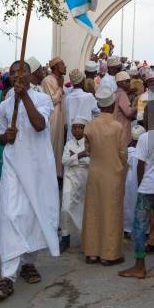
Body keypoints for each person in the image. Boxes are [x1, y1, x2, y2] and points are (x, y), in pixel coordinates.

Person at [0, 60, 59, 300]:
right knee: (10, 215)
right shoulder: (5, 106)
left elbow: (39, 125)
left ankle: (29, 262)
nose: (17, 77)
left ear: (30, 76)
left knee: (33, 214)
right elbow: (0, 137)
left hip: (38, 168)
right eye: (13, 74)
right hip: (13, 167)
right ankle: (7, 276)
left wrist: (24, 98)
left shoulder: (42, 100)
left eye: (21, 73)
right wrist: (5, 138)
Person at [119, 101, 154, 279]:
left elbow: (140, 165)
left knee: (139, 226)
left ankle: (140, 266)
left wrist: (140, 183)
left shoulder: (144, 138)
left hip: (148, 187)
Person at [82, 85, 127, 265]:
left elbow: (88, 150)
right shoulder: (117, 127)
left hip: (95, 171)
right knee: (111, 212)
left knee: (93, 210)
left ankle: (92, 252)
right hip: (113, 172)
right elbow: (123, 153)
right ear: (113, 104)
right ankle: (109, 254)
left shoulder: (90, 126)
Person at [60, 117, 90, 253]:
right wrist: (81, 155)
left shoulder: (89, 143)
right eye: (75, 127)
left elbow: (90, 161)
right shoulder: (68, 144)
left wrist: (75, 156)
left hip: (84, 180)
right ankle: (65, 237)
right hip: (69, 178)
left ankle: (86, 239)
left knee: (82, 210)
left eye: (80, 127)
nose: (77, 130)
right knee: (65, 208)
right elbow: (64, 160)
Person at [42, 56, 67, 179]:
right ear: (56, 67)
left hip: (60, 119)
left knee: (59, 148)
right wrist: (60, 87)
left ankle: (58, 174)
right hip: (52, 119)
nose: (65, 67)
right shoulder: (47, 80)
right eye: (62, 64)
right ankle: (49, 176)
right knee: (52, 146)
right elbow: (51, 101)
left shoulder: (59, 80)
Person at [65, 69, 99, 142]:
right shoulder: (88, 96)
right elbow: (98, 111)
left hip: (71, 136)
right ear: (83, 81)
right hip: (85, 135)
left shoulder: (67, 98)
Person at [123, 124, 145, 237]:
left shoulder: (128, 150)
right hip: (140, 178)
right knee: (140, 204)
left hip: (129, 179)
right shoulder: (144, 150)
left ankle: (127, 228)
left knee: (128, 204)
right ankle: (143, 229)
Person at [114, 71, 138, 145]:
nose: (129, 84)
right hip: (122, 128)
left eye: (129, 82)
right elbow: (128, 113)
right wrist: (139, 106)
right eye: (126, 82)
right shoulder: (121, 94)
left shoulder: (116, 93)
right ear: (119, 83)